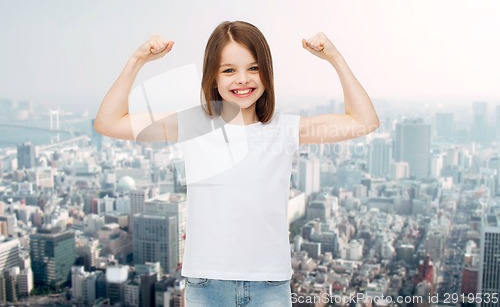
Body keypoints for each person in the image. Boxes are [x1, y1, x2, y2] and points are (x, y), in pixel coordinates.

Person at [94, 20, 380, 306]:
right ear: (213, 78)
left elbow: (364, 121)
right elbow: (108, 122)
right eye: (229, 70)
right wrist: (137, 60)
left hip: (270, 285)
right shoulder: (193, 124)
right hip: (207, 286)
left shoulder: (285, 128)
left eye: (253, 68)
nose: (243, 79)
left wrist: (335, 58)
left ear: (267, 74)